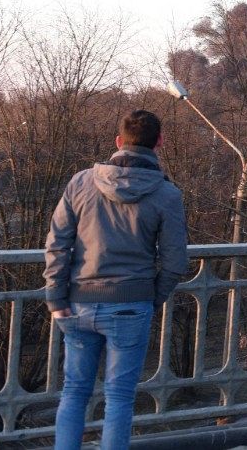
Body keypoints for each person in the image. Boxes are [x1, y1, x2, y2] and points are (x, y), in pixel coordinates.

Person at [45, 109, 189, 450]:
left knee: (74, 391)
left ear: (118, 142)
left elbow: (58, 242)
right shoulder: (167, 194)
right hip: (131, 305)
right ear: (159, 143)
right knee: (120, 398)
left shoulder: (81, 182)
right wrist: (152, 297)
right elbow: (174, 261)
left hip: (77, 304)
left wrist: (55, 297)